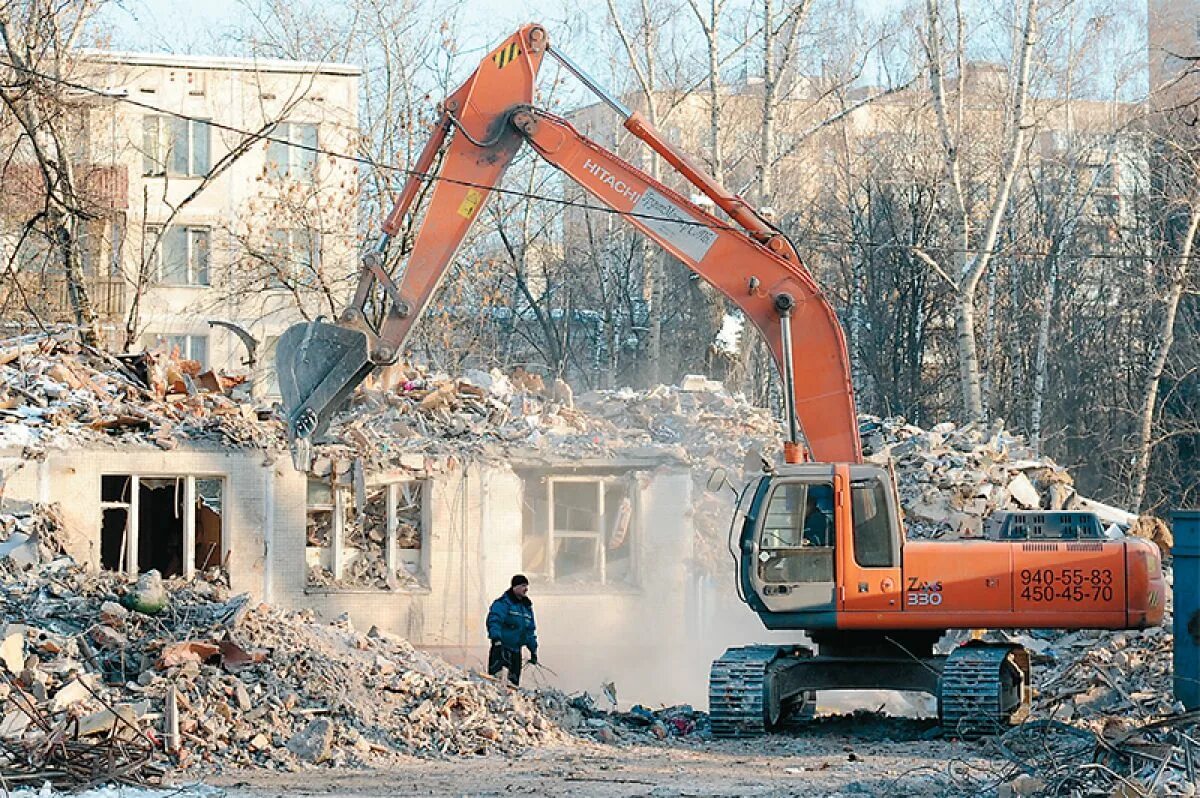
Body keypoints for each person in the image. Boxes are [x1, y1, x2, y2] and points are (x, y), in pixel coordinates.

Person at [486, 574, 538, 686]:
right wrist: (496, 639)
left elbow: (530, 631)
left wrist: (533, 650)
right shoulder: (503, 603)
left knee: (513, 685)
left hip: (516, 651)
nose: (526, 589)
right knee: (496, 680)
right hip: (501, 648)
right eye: (523, 585)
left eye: (527, 586)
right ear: (515, 587)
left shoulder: (526, 608)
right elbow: (494, 620)